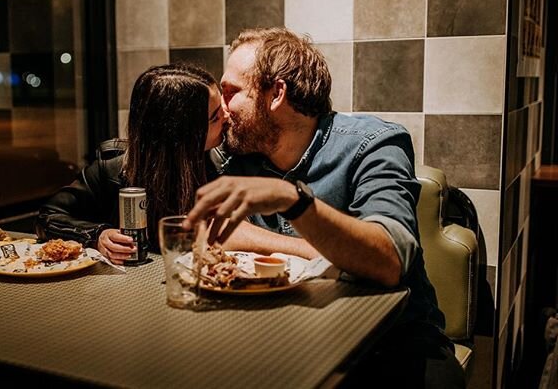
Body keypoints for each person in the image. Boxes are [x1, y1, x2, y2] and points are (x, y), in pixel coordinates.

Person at [184, 27, 466, 388]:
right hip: (277, 343)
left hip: (390, 345)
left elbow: (389, 260)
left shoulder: (373, 145)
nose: (221, 109)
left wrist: (291, 203)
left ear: (277, 94)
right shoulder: (233, 155)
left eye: (231, 92)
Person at [35, 63, 228, 264]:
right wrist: (96, 235)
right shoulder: (112, 169)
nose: (227, 115)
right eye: (215, 117)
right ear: (181, 133)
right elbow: (47, 217)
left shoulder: (227, 165)